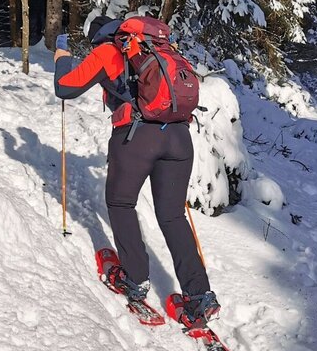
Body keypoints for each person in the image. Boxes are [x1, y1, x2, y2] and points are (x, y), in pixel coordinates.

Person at [53, 16, 220, 328]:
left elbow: (65, 88)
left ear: (98, 38)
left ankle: (135, 278)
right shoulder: (154, 49)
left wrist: (62, 56)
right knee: (172, 216)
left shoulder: (107, 51)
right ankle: (199, 297)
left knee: (121, 203)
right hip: (179, 138)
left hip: (137, 137)